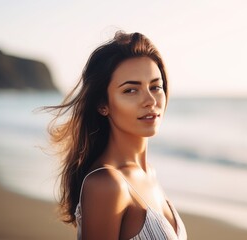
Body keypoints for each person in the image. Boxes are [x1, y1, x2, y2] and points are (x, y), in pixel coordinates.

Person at [47, 31, 187, 240]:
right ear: (103, 104)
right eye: (131, 90)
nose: (150, 100)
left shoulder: (149, 174)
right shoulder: (106, 184)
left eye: (155, 87)